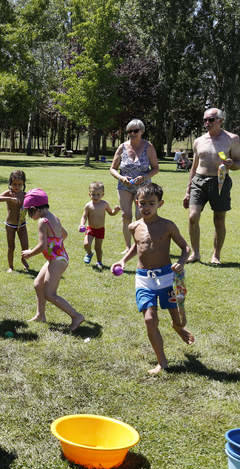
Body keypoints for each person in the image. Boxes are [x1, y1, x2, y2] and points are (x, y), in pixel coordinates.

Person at [112, 183, 195, 374]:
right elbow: (137, 246)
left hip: (166, 278)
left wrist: (182, 261)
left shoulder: (167, 226)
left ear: (160, 204)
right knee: (150, 320)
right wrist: (123, 260)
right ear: (136, 203)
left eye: (151, 203)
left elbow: (186, 247)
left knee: (178, 320)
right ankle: (162, 362)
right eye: (142, 203)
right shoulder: (134, 226)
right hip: (143, 280)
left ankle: (177, 327)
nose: (146, 207)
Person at [183, 107, 240, 265]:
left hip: (220, 181)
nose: (206, 123)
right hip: (199, 181)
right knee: (192, 217)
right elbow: (194, 167)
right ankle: (195, 253)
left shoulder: (232, 138)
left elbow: (238, 163)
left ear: (220, 121)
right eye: (205, 120)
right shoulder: (199, 141)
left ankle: (216, 255)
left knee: (219, 219)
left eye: (210, 120)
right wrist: (188, 190)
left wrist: (231, 164)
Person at [21, 188, 84, 331]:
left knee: (50, 294)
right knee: (38, 284)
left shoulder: (43, 222)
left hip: (57, 260)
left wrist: (30, 253)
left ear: (34, 209)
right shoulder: (54, 217)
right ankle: (40, 315)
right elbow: (65, 235)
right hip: (58, 257)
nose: (29, 215)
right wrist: (55, 244)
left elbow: (42, 245)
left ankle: (76, 316)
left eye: (28, 212)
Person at [109, 119, 160, 254]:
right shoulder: (122, 147)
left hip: (143, 187)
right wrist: (121, 178)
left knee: (141, 215)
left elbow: (156, 168)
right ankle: (128, 246)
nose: (132, 133)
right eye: (129, 131)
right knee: (126, 215)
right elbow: (112, 169)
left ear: (142, 131)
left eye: (135, 131)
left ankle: (141, 243)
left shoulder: (148, 147)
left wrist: (144, 177)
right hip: (124, 185)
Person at [79, 181, 120, 269]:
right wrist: (82, 224)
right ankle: (89, 253)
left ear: (102, 194)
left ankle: (99, 262)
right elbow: (84, 216)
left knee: (98, 247)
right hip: (90, 229)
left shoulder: (104, 204)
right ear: (89, 194)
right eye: (93, 194)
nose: (95, 197)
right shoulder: (88, 205)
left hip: (100, 229)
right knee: (86, 244)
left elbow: (111, 213)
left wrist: (115, 211)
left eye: (98, 194)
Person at [0, 170, 30, 272]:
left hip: (22, 224)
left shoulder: (25, 195)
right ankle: (11, 266)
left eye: (19, 184)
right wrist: (8, 199)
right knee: (11, 247)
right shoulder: (9, 193)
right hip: (10, 225)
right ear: (10, 184)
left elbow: (33, 204)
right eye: (14, 184)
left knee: (25, 246)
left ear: (23, 184)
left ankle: (24, 261)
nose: (17, 187)